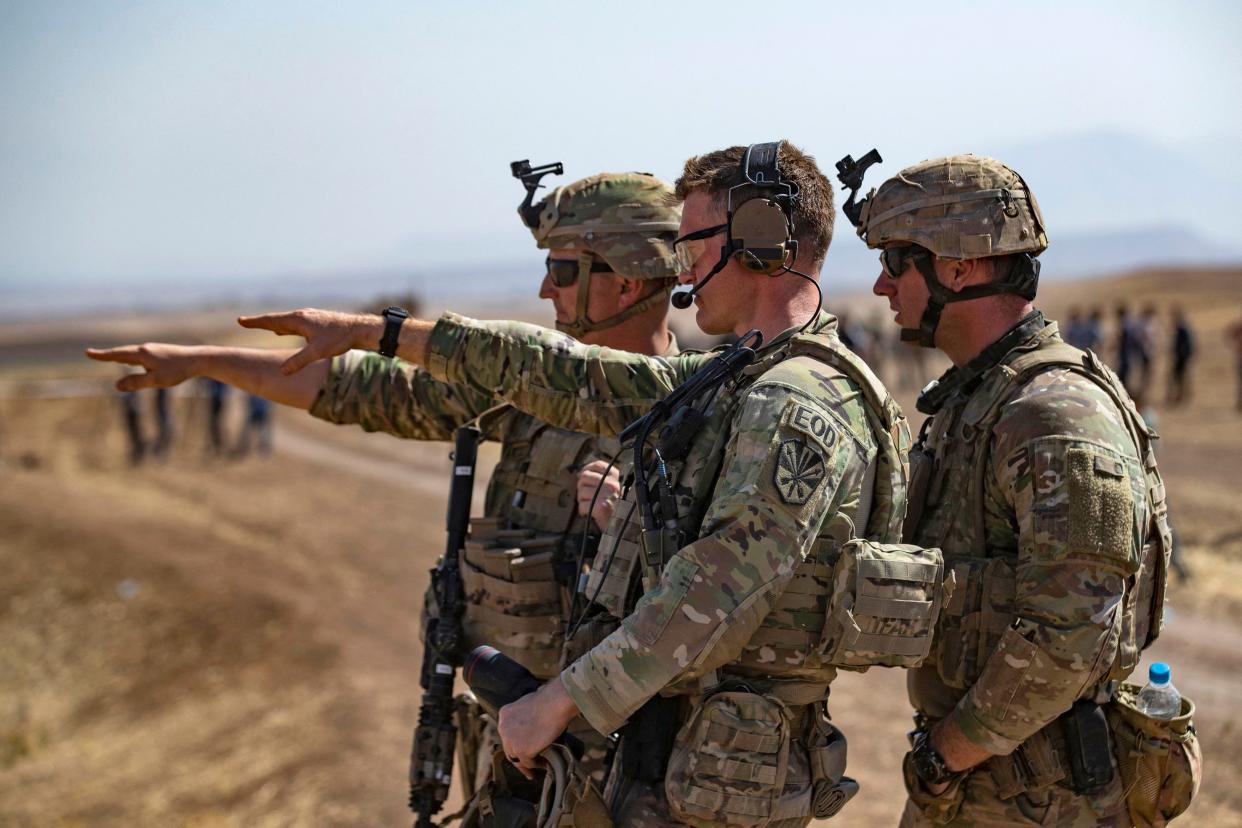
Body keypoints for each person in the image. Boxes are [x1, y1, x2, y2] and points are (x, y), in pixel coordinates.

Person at [101, 141, 924, 827]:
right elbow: (525, 371)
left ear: (759, 238)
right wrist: (233, 356)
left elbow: (715, 591)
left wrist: (561, 700)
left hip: (668, 761)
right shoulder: (722, 389)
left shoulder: (770, 400)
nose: (687, 266)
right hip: (602, 759)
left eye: (566, 270)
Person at [88, 170, 684, 798]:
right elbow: (359, 390)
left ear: (626, 279)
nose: (544, 289)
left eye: (563, 271)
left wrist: (630, 524)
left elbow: (724, 600)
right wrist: (203, 362)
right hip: (512, 749)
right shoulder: (526, 391)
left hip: (614, 768)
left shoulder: (701, 413)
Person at [859, 155, 1176, 826]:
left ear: (958, 267)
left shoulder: (1052, 412)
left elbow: (1070, 634)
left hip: (1038, 798)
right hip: (990, 785)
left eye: (895, 261)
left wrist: (947, 753)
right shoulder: (982, 397)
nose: (883, 286)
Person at [1166, 305, 1195, 406]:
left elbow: (1186, 344)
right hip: (1180, 357)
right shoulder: (1181, 328)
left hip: (1181, 357)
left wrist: (1182, 355)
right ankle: (1180, 396)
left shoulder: (1182, 329)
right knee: (1179, 378)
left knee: (1178, 378)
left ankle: (1181, 397)